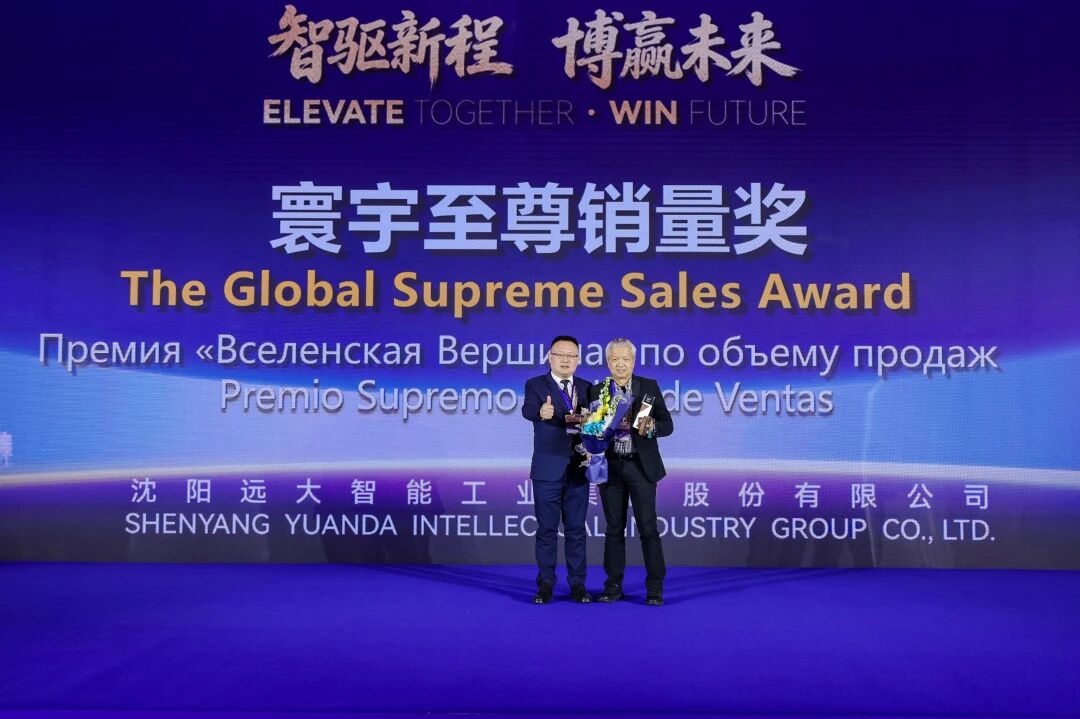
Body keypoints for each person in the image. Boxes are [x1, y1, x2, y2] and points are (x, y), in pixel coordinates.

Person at [590, 338, 673, 606]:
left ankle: (655, 588)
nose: (621, 364)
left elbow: (668, 424)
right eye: (615, 359)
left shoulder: (648, 387)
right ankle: (613, 585)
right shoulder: (598, 390)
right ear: (608, 362)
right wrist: (592, 430)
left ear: (633, 361)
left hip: (640, 466)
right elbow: (590, 428)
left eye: (625, 359)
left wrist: (652, 427)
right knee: (614, 528)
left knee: (648, 527)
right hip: (610, 467)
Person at [521, 335, 594, 604]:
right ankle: (545, 585)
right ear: (549, 357)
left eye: (571, 355)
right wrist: (541, 412)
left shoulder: (587, 387)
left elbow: (595, 423)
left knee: (576, 531)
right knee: (546, 530)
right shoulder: (536, 385)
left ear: (578, 360)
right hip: (547, 469)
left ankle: (578, 585)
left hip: (578, 469)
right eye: (560, 354)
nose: (565, 360)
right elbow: (528, 410)